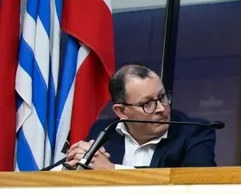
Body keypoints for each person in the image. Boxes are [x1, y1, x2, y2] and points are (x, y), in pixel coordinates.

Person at [64, 64, 216, 169]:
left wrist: (112, 171)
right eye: (147, 104)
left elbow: (194, 185)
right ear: (121, 111)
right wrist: (75, 165)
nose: (162, 108)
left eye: (162, 96)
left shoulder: (195, 132)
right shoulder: (104, 131)